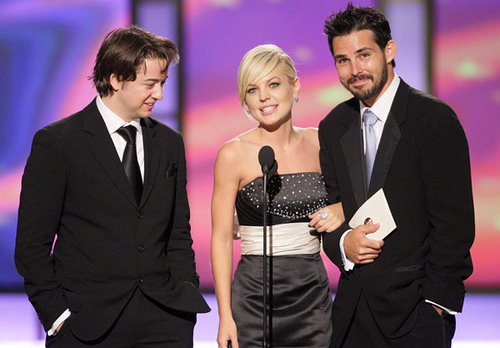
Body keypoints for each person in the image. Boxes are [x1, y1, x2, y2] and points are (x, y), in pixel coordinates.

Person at [15, 26, 210, 347]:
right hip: (86, 325)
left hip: (166, 323)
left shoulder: (169, 143)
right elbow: (31, 246)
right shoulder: (58, 143)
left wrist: (184, 296)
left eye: (162, 83)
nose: (159, 94)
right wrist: (57, 315)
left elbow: (177, 231)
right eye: (150, 84)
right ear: (116, 78)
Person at [317, 4, 475, 348]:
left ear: (389, 50)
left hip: (416, 315)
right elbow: (332, 210)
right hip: (351, 314)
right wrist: (344, 243)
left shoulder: (433, 119)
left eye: (363, 54)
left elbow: (455, 225)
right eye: (343, 60)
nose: (354, 70)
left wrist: (435, 308)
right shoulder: (333, 127)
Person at [211, 44, 344, 348]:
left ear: (294, 85)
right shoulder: (233, 154)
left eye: (273, 84)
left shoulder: (320, 142)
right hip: (254, 297)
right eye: (252, 89)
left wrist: (341, 209)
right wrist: (225, 316)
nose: (264, 97)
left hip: (311, 294)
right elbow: (220, 238)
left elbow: (352, 198)